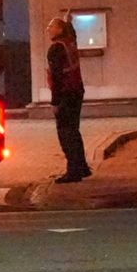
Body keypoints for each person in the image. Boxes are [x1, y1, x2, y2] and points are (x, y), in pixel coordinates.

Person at [46, 16, 91, 183]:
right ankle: (82, 167)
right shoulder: (70, 43)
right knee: (74, 130)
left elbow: (56, 78)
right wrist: (68, 23)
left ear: (60, 30)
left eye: (51, 26)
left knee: (65, 133)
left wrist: (55, 102)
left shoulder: (56, 49)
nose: (48, 29)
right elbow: (73, 34)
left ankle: (74, 171)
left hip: (65, 94)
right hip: (77, 91)